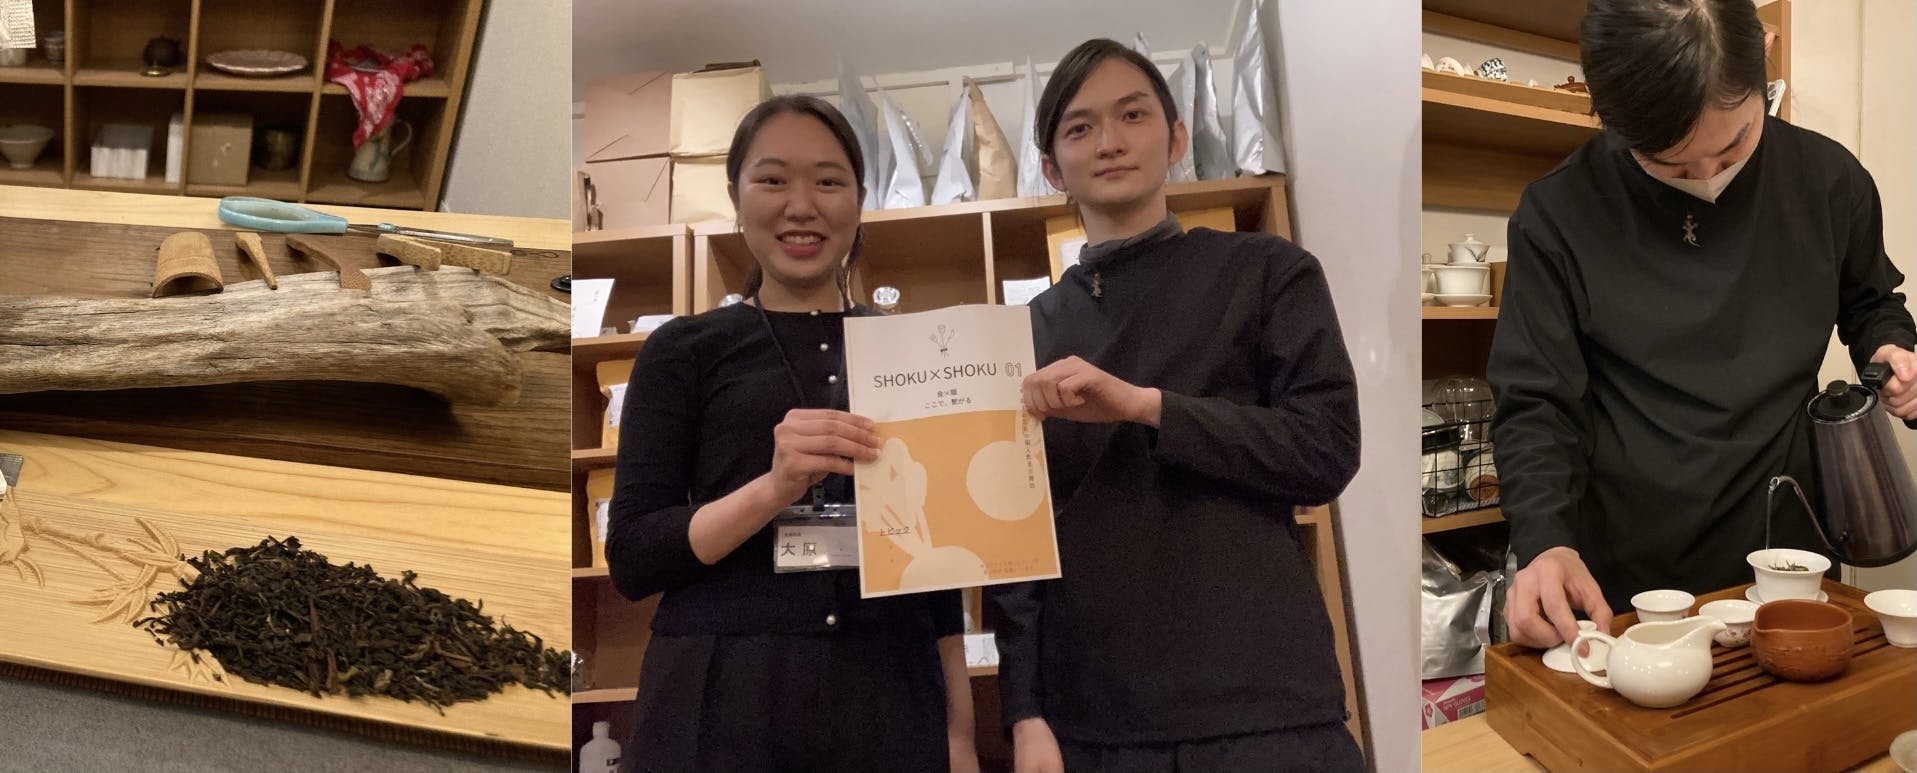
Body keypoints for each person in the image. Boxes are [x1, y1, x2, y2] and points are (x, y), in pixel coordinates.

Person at [1491, 0, 1917, 652]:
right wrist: (1544, 539)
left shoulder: (1830, 180)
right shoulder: (1557, 213)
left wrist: (1891, 346)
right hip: (1626, 565)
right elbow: (1534, 402)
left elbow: (1870, 301)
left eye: (1734, 144)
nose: (1707, 178)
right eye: (1668, 163)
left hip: (1786, 547)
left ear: (1762, 58)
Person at [989, 39, 1365, 773]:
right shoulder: (1024, 333)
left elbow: (1325, 451)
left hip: (1267, 706)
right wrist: (1025, 710)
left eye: (1132, 115)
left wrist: (1148, 407)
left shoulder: (1265, 270)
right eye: (1079, 127)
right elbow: (1015, 538)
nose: (1109, 141)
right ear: (1050, 168)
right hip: (1095, 716)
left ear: (1176, 139)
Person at [606, 95, 977, 773]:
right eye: (772, 179)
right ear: (735, 196)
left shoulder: (911, 350)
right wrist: (772, 489)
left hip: (887, 687)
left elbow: (939, 570)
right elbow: (633, 558)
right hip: (721, 690)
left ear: (859, 200)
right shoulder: (683, 349)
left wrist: (960, 738)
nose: (801, 206)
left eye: (828, 181)